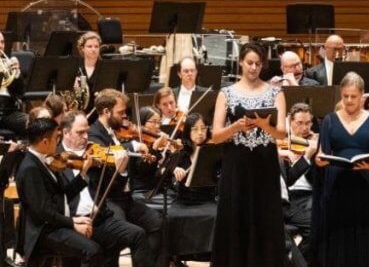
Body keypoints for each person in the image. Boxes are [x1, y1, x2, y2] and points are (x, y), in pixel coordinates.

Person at [17, 117, 136, 267]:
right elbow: (43, 211)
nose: (58, 142)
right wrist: (73, 222)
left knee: (101, 244)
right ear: (45, 142)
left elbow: (63, 194)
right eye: (56, 138)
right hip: (43, 231)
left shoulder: (44, 160)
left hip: (54, 223)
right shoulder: (30, 168)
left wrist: (84, 173)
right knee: (92, 251)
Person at [210, 42, 288, 267]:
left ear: (263, 65)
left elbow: (281, 133)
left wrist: (264, 124)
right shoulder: (226, 93)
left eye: (257, 64)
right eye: (249, 63)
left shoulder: (276, 92)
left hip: (264, 164)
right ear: (241, 63)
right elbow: (215, 136)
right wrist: (236, 127)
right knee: (235, 217)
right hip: (236, 164)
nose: (253, 68)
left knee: (265, 217)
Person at [310, 72, 369, 266]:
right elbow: (322, 152)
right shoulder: (330, 119)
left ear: (362, 96)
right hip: (337, 186)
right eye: (345, 96)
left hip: (365, 186)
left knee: (365, 234)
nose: (348, 100)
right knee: (337, 234)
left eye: (353, 96)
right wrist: (319, 161)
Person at [87, 89, 165, 265]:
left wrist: (141, 149)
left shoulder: (114, 131)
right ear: (106, 112)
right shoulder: (94, 135)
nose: (125, 117)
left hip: (125, 197)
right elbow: (105, 166)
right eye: (120, 113)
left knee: (156, 222)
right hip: (108, 199)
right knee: (121, 233)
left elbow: (129, 160)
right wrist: (129, 150)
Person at [167, 113, 218, 261]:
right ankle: (176, 258)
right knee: (171, 217)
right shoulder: (180, 154)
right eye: (195, 129)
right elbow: (164, 176)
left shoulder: (212, 152)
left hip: (207, 200)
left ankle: (210, 257)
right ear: (188, 132)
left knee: (216, 217)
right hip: (184, 201)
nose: (200, 133)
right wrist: (174, 170)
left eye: (203, 128)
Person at [279, 103, 318, 267]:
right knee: (316, 223)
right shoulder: (280, 143)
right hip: (288, 198)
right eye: (300, 123)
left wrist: (318, 151)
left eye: (308, 123)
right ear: (289, 121)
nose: (305, 128)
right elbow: (288, 180)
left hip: (309, 194)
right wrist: (304, 158)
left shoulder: (316, 142)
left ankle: (297, 260)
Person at [0, 31, 27, 136]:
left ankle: (24, 151)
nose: (0, 46)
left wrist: (17, 73)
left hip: (9, 111)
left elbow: (21, 92)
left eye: (2, 42)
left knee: (33, 124)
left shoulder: (8, 63)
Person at [76, 31, 102, 96]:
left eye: (96, 46)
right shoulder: (75, 66)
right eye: (89, 46)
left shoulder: (104, 67)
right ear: (82, 48)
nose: (93, 49)